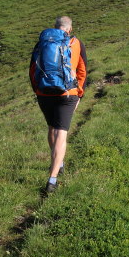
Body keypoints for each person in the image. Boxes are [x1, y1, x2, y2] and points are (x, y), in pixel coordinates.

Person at [29, 16, 87, 195]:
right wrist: (79, 95)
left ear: (55, 27)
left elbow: (32, 70)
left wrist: (37, 91)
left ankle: (58, 162)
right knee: (61, 132)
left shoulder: (42, 43)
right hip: (67, 94)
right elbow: (82, 71)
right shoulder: (76, 43)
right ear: (69, 29)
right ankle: (52, 178)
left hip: (44, 93)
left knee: (51, 127)